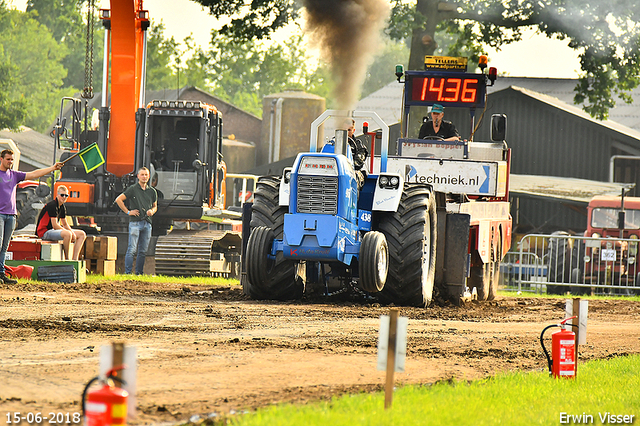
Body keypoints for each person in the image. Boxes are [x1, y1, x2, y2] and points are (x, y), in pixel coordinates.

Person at [0, 149, 64, 284]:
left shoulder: (14, 175)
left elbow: (34, 174)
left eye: (12, 159)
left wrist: (53, 168)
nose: (10, 162)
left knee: (5, 245)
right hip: (0, 215)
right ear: (1, 159)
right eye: (8, 159)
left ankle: (1, 273)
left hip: (11, 215)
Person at [115, 167, 157, 275]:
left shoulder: (152, 191)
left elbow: (155, 206)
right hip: (135, 223)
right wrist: (128, 212)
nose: (144, 177)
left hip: (147, 223)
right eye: (142, 175)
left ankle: (139, 273)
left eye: (146, 175)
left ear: (149, 176)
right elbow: (118, 199)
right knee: (132, 249)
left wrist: (152, 211)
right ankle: (128, 272)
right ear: (138, 176)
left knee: (143, 251)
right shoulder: (133, 189)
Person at [35, 185, 86, 260]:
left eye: (66, 195)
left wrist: (72, 232)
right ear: (57, 195)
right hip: (44, 232)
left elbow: (65, 224)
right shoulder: (52, 205)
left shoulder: (62, 207)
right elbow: (55, 225)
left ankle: (75, 259)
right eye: (62, 195)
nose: (64, 197)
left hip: (53, 231)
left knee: (82, 234)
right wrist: (69, 233)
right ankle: (67, 259)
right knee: (67, 234)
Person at [344, 118, 369, 189]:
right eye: (344, 130)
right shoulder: (332, 143)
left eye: (349, 130)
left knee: (357, 175)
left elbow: (358, 163)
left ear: (353, 131)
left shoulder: (358, 145)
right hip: (336, 171)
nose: (346, 132)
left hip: (352, 172)